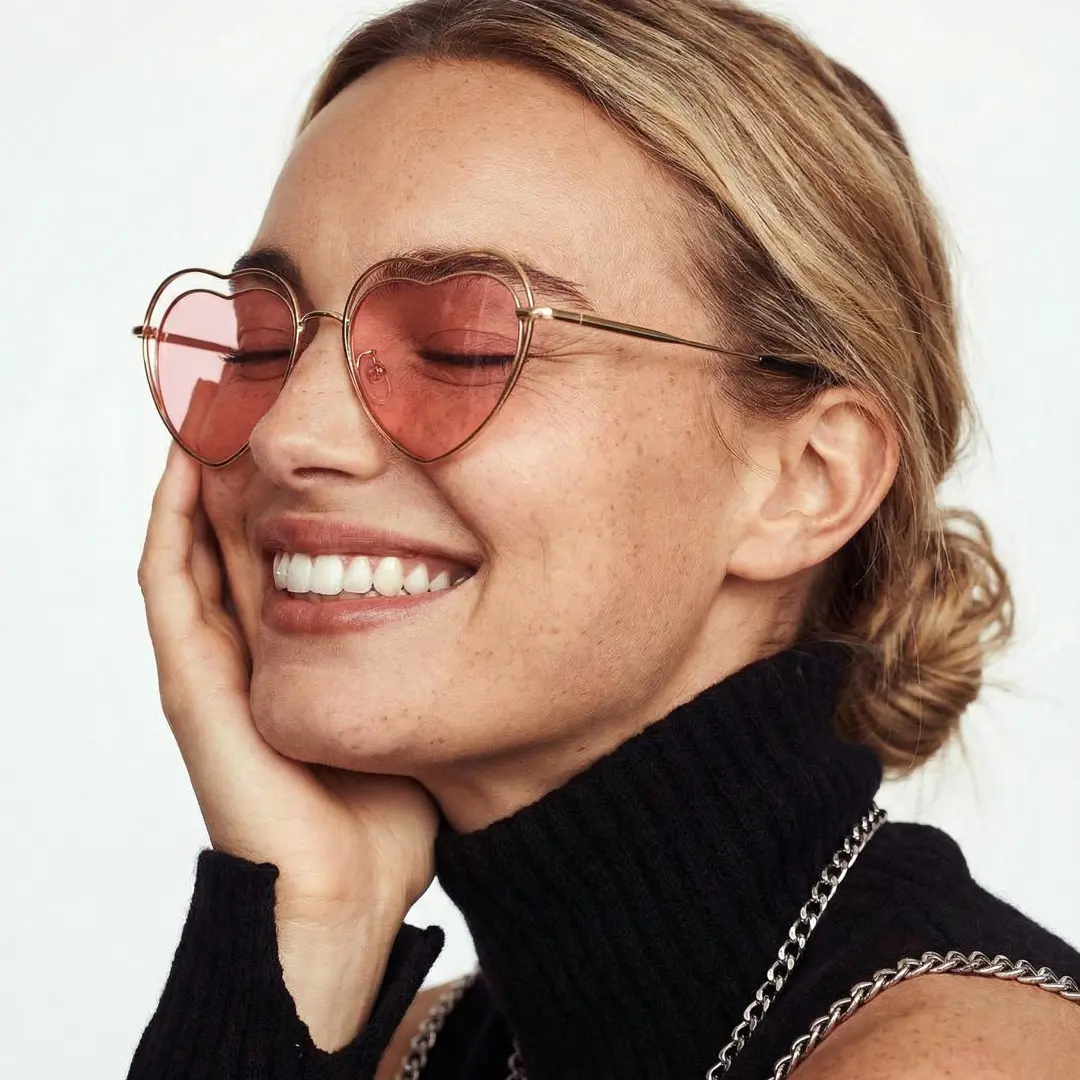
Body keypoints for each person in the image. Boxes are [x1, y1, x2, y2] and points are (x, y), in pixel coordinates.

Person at [127, 1, 1080, 1077]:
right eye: (262, 340)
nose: (289, 430)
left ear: (805, 483)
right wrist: (303, 930)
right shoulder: (400, 1048)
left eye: (463, 344)